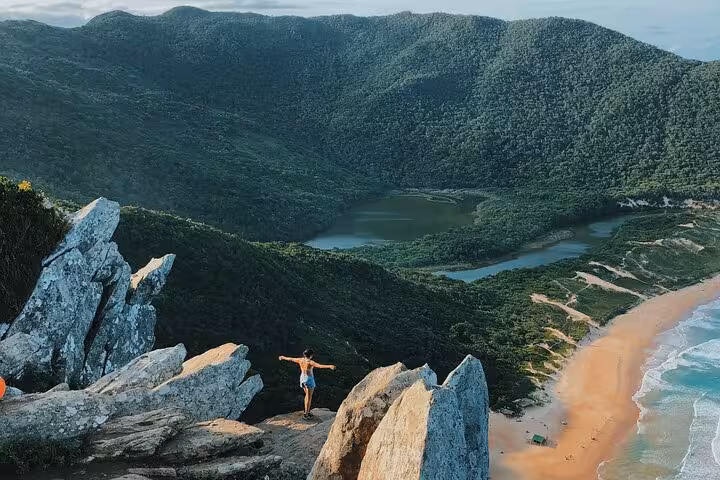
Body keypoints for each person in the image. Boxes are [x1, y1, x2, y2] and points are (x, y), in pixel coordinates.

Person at [279, 348, 336, 419]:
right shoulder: (310, 362)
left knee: (307, 396)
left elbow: (291, 359)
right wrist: (329, 366)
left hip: (302, 378)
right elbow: (319, 366)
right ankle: (306, 414)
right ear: (311, 355)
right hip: (309, 379)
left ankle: (306, 411)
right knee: (309, 398)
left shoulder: (300, 360)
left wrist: (282, 357)